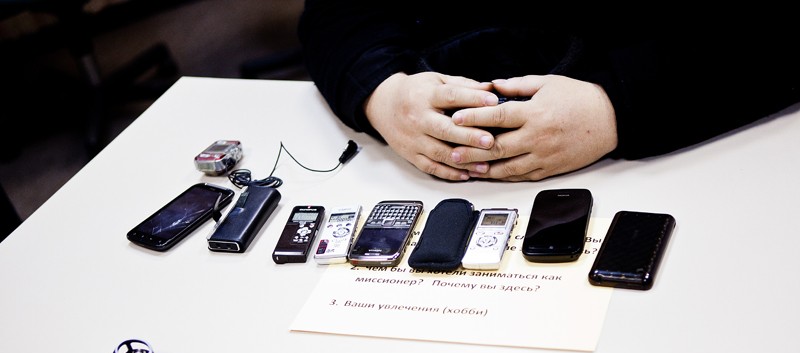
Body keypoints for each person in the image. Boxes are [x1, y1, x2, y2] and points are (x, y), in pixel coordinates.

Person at [298, 5, 800, 182]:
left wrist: (618, 105)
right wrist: (381, 91)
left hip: (682, 147)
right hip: (417, 167)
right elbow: (336, 13)